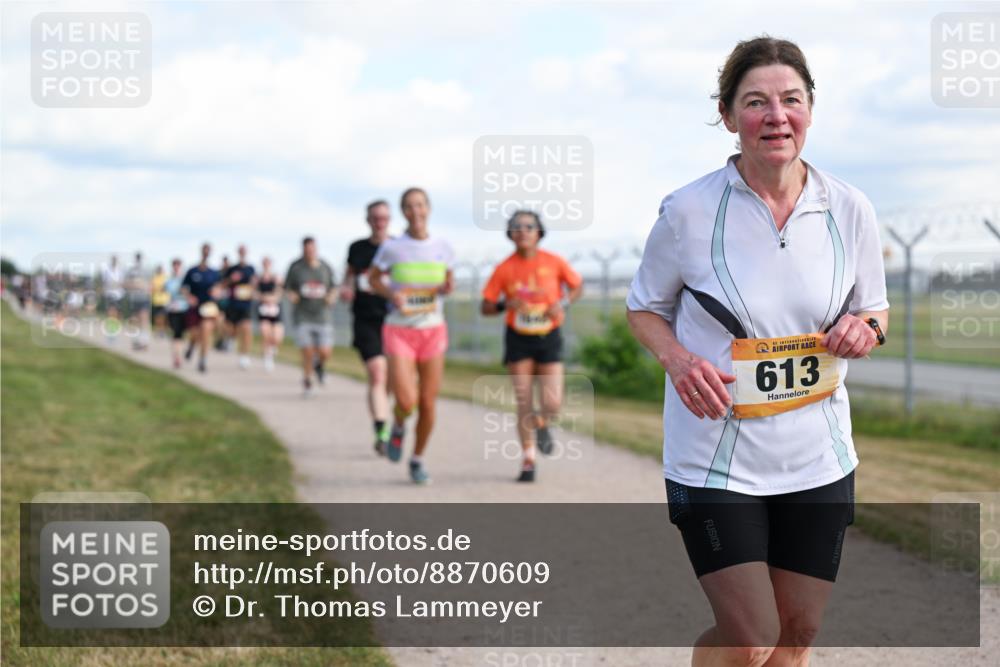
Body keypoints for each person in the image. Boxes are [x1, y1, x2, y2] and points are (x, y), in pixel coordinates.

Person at [626, 37, 889, 667]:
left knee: (796, 636)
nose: (776, 115)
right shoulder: (688, 210)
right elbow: (644, 309)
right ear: (726, 115)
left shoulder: (849, 207)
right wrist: (680, 360)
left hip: (819, 456)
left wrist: (867, 330)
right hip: (716, 458)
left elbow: (875, 309)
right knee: (751, 638)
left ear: (810, 109)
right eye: (756, 102)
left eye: (790, 100)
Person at [481, 210, 583, 482]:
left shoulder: (554, 262)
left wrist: (561, 303)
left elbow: (576, 286)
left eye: (529, 226)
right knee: (524, 400)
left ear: (539, 231)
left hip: (549, 336)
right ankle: (528, 460)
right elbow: (486, 306)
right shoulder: (504, 268)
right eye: (516, 226)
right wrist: (506, 304)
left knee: (552, 402)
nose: (522, 230)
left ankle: (542, 423)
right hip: (518, 337)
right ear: (510, 233)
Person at [369, 188, 455, 484]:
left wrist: (445, 288)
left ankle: (417, 459)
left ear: (428, 208)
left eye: (419, 204)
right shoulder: (393, 248)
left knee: (429, 403)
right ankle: (399, 425)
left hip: (433, 329)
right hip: (400, 330)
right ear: (403, 212)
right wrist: (393, 292)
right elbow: (373, 279)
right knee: (407, 400)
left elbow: (448, 281)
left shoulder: (443, 246)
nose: (415, 211)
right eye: (408, 206)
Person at [341, 200, 392, 455]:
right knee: (377, 374)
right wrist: (346, 288)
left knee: (393, 381)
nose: (379, 222)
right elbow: (349, 276)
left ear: (389, 219)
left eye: (384, 218)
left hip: (395, 321)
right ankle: (381, 430)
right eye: (375, 218)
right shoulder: (358, 248)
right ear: (368, 220)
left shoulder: (398, 248)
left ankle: (392, 416)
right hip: (365, 319)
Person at [284, 237, 336, 397]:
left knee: (324, 351)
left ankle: (319, 366)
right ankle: (307, 382)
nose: (310, 252)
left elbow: (334, 288)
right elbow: (287, 288)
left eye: (312, 249)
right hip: (302, 315)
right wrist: (291, 295)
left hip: (322, 315)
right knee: (307, 351)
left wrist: (331, 297)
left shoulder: (325, 267)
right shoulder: (296, 267)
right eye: (307, 249)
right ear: (303, 250)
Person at [181, 243, 222, 373]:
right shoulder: (192, 271)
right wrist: (189, 297)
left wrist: (217, 292)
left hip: (208, 307)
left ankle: (203, 360)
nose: (206, 253)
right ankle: (192, 346)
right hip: (195, 307)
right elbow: (183, 288)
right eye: (204, 251)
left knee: (206, 332)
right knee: (195, 334)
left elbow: (219, 288)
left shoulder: (214, 273)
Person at [224, 244, 257, 369]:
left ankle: (244, 356)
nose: (243, 253)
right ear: (238, 252)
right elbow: (223, 284)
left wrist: (253, 287)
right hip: (233, 304)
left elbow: (254, 284)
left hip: (246, 304)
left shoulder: (251, 268)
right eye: (241, 251)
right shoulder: (232, 268)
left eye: (244, 251)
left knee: (247, 329)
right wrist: (231, 280)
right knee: (232, 330)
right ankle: (231, 339)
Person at [256, 256, 285, 372]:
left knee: (277, 337)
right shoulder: (258, 279)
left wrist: (273, 298)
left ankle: (273, 349)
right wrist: (264, 297)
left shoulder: (276, 277)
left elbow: (281, 291)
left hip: (275, 311)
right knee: (266, 333)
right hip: (264, 311)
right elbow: (255, 292)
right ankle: (267, 358)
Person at [163, 258, 189, 368]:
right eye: (175, 265)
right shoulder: (170, 281)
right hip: (173, 310)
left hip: (185, 309)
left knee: (183, 334)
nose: (176, 267)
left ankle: (183, 352)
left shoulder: (186, 279)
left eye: (178, 265)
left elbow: (188, 292)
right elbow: (167, 291)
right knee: (176, 334)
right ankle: (176, 357)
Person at [124, 251, 151, 350]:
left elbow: (152, 284)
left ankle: (144, 341)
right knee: (135, 320)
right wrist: (134, 285)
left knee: (144, 319)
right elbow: (125, 284)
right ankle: (136, 341)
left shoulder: (147, 270)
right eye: (137, 258)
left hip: (144, 298)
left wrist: (145, 287)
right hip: (134, 298)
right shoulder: (130, 271)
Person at [150, 264, 169, 338]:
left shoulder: (165, 277)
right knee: (157, 317)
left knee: (163, 317)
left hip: (164, 301)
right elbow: (152, 288)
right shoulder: (154, 277)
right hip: (156, 300)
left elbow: (166, 288)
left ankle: (162, 331)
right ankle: (158, 331)